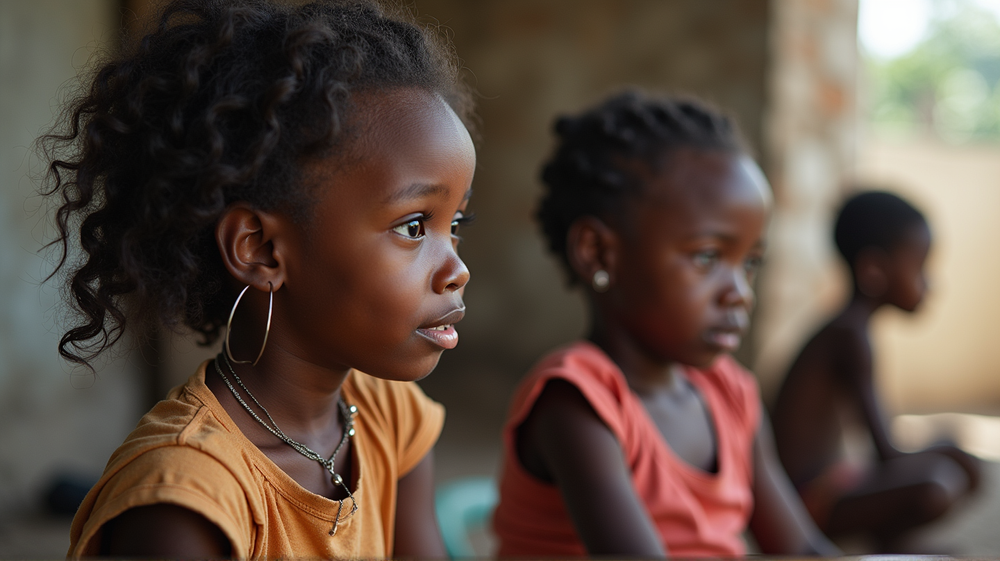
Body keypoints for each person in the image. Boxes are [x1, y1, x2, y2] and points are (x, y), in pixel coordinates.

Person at [41, 0, 476, 557]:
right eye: (415, 226)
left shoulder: (389, 414)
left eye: (455, 223)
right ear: (262, 249)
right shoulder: (186, 502)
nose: (457, 269)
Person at [492, 90, 837, 558]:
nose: (739, 291)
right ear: (598, 252)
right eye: (708, 257)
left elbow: (801, 550)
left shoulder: (731, 395)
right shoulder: (576, 403)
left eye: (750, 263)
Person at [771, 190, 981, 551]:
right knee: (938, 482)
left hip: (829, 482)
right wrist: (943, 448)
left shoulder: (851, 329)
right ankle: (893, 546)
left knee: (956, 461)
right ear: (874, 270)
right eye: (919, 268)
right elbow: (887, 453)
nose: (929, 284)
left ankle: (896, 543)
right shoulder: (850, 337)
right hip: (804, 505)